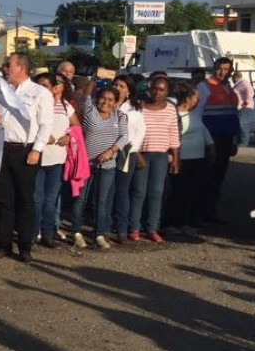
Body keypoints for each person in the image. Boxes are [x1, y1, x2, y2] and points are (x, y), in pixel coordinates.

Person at [0, 53, 54, 263]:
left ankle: (25, 246)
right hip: (4, 147)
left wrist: (37, 149)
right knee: (4, 200)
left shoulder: (40, 93)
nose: (6, 69)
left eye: (10, 65)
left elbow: (45, 124)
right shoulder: (4, 91)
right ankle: (3, 244)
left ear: (21, 68)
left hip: (26, 150)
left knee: (25, 200)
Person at [70, 86, 128, 249]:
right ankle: (76, 230)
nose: (106, 102)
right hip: (86, 164)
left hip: (108, 165)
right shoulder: (90, 111)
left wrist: (111, 151)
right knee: (81, 199)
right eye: (103, 98)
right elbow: (87, 93)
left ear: (115, 102)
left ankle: (99, 233)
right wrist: (94, 76)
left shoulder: (119, 116)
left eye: (110, 99)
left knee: (101, 201)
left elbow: (124, 137)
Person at [129, 75, 180, 243]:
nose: (157, 92)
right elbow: (132, 132)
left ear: (167, 92)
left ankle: (152, 227)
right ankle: (134, 227)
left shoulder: (171, 109)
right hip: (142, 154)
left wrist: (175, 159)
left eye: (161, 89)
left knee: (157, 192)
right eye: (154, 89)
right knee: (138, 191)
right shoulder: (139, 107)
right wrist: (137, 154)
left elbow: (174, 133)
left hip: (161, 155)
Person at [165, 82, 213, 241]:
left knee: (191, 192)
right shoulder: (175, 115)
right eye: (195, 98)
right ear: (188, 98)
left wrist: (211, 146)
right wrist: (174, 158)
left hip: (198, 159)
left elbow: (204, 131)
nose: (197, 101)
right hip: (183, 160)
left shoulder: (194, 114)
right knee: (178, 192)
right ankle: (171, 223)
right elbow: (173, 138)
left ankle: (185, 221)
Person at [33, 72, 77, 248]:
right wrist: (43, 136)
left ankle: (47, 233)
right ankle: (33, 232)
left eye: (59, 83)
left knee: (51, 200)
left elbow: (76, 126)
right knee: (36, 198)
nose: (56, 86)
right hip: (38, 157)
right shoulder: (37, 104)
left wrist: (69, 136)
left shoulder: (66, 106)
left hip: (57, 159)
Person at [195, 57, 240, 223]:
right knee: (206, 178)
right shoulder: (204, 87)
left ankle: (210, 213)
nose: (223, 72)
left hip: (226, 138)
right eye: (220, 68)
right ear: (214, 69)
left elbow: (233, 114)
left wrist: (234, 140)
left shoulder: (228, 87)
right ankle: (200, 214)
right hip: (212, 139)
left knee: (218, 178)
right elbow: (197, 117)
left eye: (226, 69)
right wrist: (208, 143)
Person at [111, 75, 145, 243]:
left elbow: (140, 132)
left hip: (126, 152)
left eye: (122, 86)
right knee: (106, 190)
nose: (117, 88)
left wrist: (134, 149)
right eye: (115, 84)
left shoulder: (134, 110)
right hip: (107, 151)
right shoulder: (105, 103)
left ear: (129, 91)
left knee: (122, 190)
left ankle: (121, 228)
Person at [232, 71, 255, 147]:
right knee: (239, 125)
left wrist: (246, 102)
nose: (232, 79)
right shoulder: (238, 84)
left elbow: (250, 92)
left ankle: (244, 142)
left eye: (233, 78)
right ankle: (239, 141)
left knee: (243, 124)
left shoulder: (244, 83)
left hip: (244, 107)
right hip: (239, 107)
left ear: (236, 77)